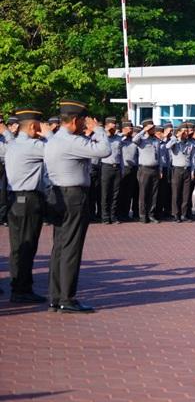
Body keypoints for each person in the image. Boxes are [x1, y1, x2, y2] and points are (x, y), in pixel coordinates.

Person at [44, 100, 110, 313]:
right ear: (74, 120)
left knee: (60, 248)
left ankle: (55, 296)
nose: (85, 125)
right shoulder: (71, 141)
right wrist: (98, 130)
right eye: (83, 121)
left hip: (57, 194)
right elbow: (104, 150)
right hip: (73, 196)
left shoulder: (53, 140)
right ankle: (67, 298)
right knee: (71, 248)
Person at [5, 109, 49, 303]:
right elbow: (59, 150)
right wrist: (50, 134)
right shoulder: (33, 146)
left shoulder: (13, 144)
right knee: (27, 245)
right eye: (39, 125)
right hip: (28, 199)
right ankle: (22, 289)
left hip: (15, 199)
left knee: (17, 246)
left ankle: (18, 285)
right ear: (33, 126)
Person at [166, 124, 195, 222]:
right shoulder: (175, 143)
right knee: (176, 194)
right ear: (178, 132)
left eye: (186, 131)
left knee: (186, 194)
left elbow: (193, 159)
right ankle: (176, 215)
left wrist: (192, 171)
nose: (185, 133)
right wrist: (176, 137)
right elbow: (167, 146)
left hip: (187, 170)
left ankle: (184, 215)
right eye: (183, 131)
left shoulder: (190, 144)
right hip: (177, 170)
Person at [133, 119, 162, 223]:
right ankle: (143, 215)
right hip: (144, 169)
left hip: (155, 169)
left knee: (153, 194)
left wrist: (160, 169)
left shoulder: (156, 140)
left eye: (153, 127)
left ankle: (151, 214)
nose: (153, 129)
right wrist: (143, 131)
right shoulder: (142, 139)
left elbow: (159, 155)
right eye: (151, 127)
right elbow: (134, 140)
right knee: (143, 193)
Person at [100, 117, 125, 224]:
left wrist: (122, 169)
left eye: (115, 125)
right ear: (106, 126)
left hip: (117, 167)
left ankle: (113, 216)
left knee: (115, 194)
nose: (113, 126)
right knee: (105, 193)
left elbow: (121, 155)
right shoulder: (102, 137)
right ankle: (105, 217)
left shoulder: (119, 138)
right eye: (111, 124)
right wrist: (106, 133)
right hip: (106, 166)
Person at [117, 121, 139, 221]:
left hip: (133, 168)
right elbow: (116, 139)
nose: (130, 130)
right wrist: (123, 134)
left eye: (131, 128)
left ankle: (125, 214)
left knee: (129, 193)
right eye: (128, 128)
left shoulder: (134, 141)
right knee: (120, 192)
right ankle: (119, 214)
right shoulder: (120, 139)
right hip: (123, 168)